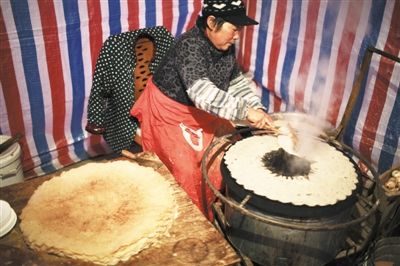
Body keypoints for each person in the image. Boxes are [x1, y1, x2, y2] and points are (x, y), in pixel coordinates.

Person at [131, 0, 274, 220]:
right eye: (234, 29)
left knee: (232, 153)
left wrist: (256, 107)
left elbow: (234, 81)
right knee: (189, 172)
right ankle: (194, 222)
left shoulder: (224, 46)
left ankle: (220, 209)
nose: (237, 36)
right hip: (170, 113)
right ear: (211, 22)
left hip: (203, 111)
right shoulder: (189, 46)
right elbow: (202, 94)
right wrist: (246, 112)